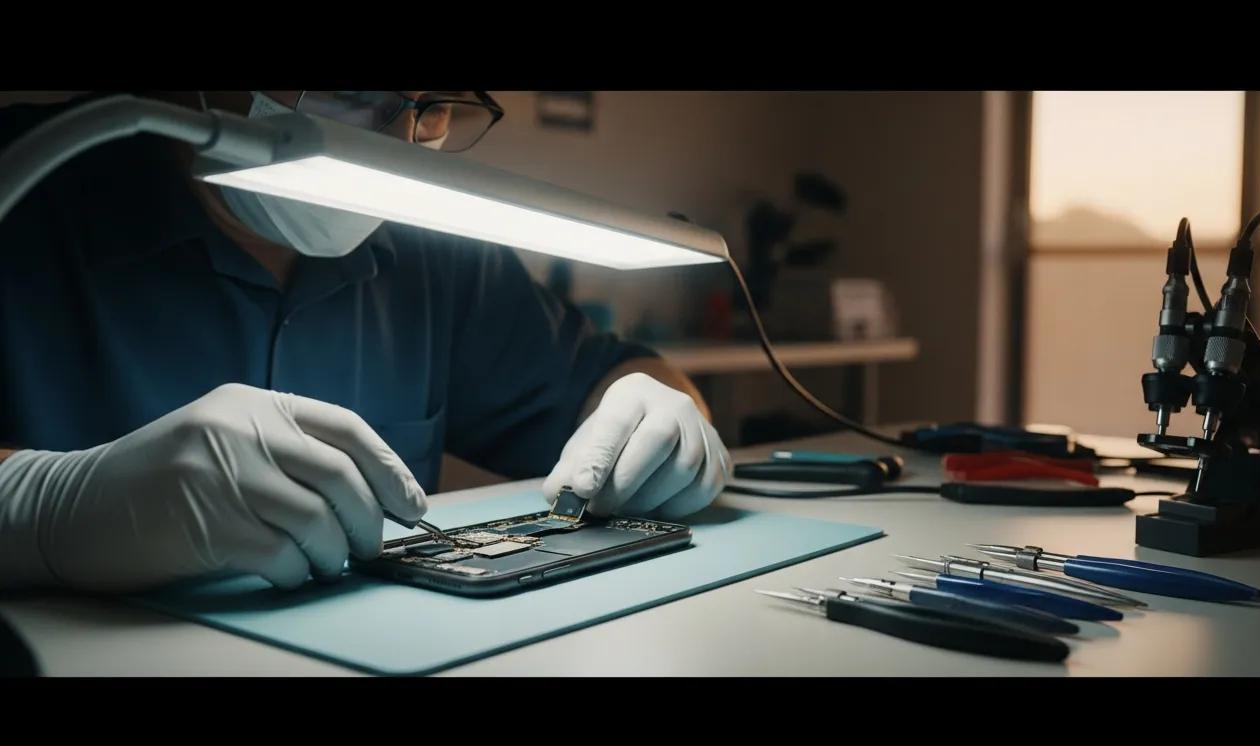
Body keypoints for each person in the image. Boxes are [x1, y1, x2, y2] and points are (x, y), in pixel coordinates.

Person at [0, 91, 730, 592]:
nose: (398, 137)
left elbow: (620, 376)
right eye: (353, 92)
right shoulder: (28, 177)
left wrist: (664, 413)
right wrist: (47, 510)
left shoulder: (433, 243)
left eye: (434, 105)